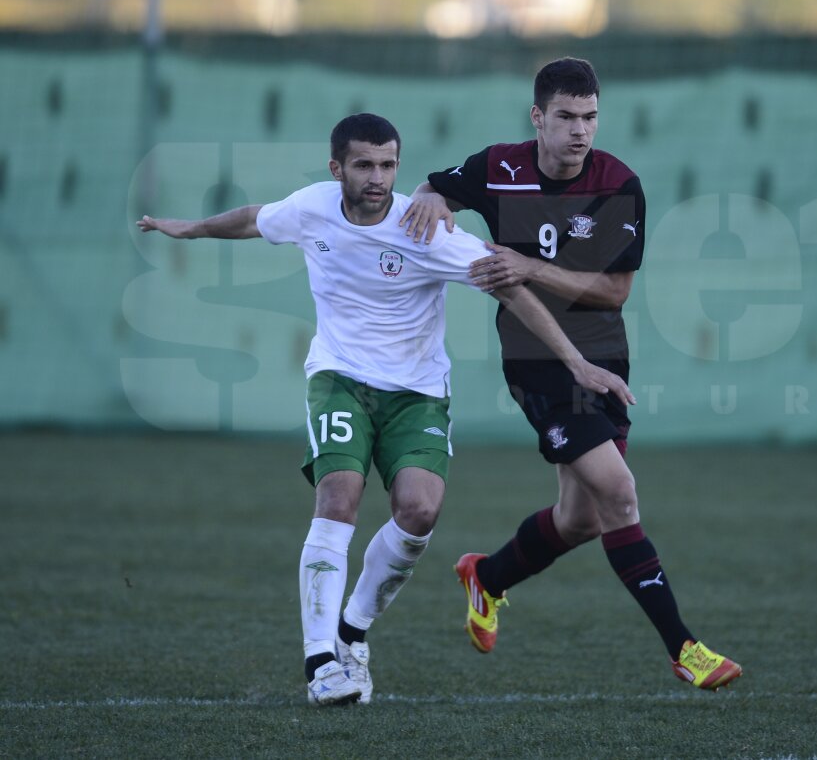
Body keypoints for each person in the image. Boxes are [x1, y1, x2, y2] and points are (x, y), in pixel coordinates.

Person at [137, 112, 634, 706]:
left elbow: (510, 289)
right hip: (339, 378)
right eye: (365, 165)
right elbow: (252, 219)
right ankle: (322, 661)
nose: (378, 178)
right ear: (336, 168)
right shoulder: (313, 207)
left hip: (418, 390)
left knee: (420, 512)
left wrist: (577, 363)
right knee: (339, 496)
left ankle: (353, 631)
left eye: (389, 165)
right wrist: (187, 229)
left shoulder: (425, 230)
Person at [400, 58, 741, 690]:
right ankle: (685, 649)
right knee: (619, 492)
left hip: (603, 357)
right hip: (536, 363)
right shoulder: (499, 168)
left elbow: (613, 290)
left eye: (589, 117)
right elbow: (431, 190)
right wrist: (427, 203)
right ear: (538, 118)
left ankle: (487, 577)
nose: (580, 131)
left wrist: (527, 266)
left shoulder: (619, 185)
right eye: (565, 117)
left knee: (581, 517)